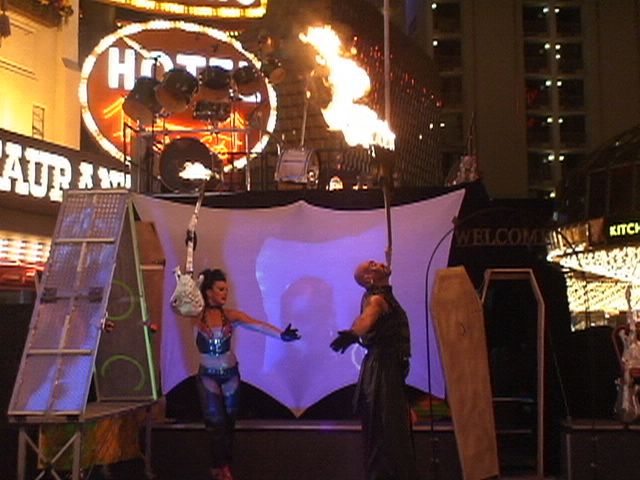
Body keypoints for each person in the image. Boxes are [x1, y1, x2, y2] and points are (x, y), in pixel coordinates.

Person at [191, 268, 301, 480]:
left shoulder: (230, 315)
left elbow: (257, 325)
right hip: (208, 375)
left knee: (229, 420)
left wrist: (282, 335)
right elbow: (176, 305)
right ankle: (219, 466)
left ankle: (224, 464)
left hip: (230, 374)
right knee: (215, 421)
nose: (225, 293)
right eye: (220, 289)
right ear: (209, 291)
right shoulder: (197, 316)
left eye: (226, 289)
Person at [330, 260, 418, 480]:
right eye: (372, 265)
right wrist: (353, 333)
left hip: (388, 374)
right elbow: (366, 319)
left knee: (393, 438)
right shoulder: (376, 299)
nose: (378, 264)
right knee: (386, 441)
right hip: (382, 374)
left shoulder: (382, 296)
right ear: (369, 278)